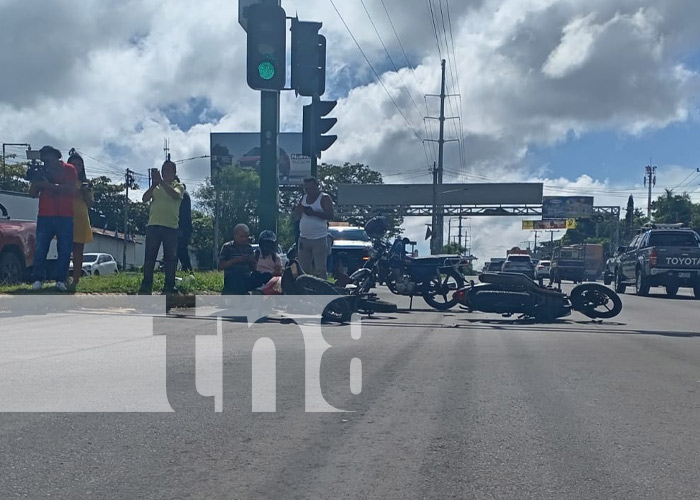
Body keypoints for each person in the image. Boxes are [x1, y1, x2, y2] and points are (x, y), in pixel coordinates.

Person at [28, 146, 78, 291]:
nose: (47, 163)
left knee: (64, 249)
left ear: (57, 157)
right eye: (45, 160)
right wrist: (36, 181)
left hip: (65, 215)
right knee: (40, 248)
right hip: (45, 214)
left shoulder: (69, 169)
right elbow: (32, 193)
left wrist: (48, 185)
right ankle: (38, 279)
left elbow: (70, 189)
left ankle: (61, 280)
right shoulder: (42, 171)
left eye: (50, 159)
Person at [139, 160, 184, 295]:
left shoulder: (179, 185)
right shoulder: (157, 187)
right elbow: (144, 198)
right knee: (149, 257)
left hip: (170, 227)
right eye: (163, 170)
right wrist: (154, 185)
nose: (165, 173)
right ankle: (146, 286)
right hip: (153, 226)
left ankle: (169, 287)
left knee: (170, 259)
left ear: (174, 172)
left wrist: (162, 183)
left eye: (169, 170)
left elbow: (175, 195)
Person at [292, 177, 334, 279]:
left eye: (311, 188)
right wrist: (297, 211)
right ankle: (304, 291)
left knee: (320, 269)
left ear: (317, 186)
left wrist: (313, 213)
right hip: (304, 238)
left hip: (319, 239)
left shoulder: (324, 198)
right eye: (306, 188)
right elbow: (296, 216)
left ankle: (321, 291)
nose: (309, 191)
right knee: (302, 268)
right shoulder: (303, 198)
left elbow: (330, 215)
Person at [66, 149, 94, 287]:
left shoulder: (86, 183)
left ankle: (76, 279)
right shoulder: (63, 181)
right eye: (74, 164)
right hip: (65, 217)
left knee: (78, 252)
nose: (76, 167)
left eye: (79, 165)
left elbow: (90, 203)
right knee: (64, 250)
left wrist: (85, 192)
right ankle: (63, 278)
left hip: (81, 218)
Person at [218, 224, 271, 294]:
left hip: (246, 278)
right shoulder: (227, 247)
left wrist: (252, 261)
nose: (244, 239)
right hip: (231, 279)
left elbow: (254, 269)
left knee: (266, 276)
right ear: (235, 235)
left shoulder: (248, 248)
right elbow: (220, 266)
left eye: (246, 237)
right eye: (242, 236)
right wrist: (236, 260)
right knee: (238, 272)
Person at [176, 178, 193, 272]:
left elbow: (182, 214)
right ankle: (186, 269)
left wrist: (180, 228)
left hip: (182, 227)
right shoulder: (185, 195)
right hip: (183, 227)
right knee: (179, 249)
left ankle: (187, 269)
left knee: (180, 248)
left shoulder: (183, 195)